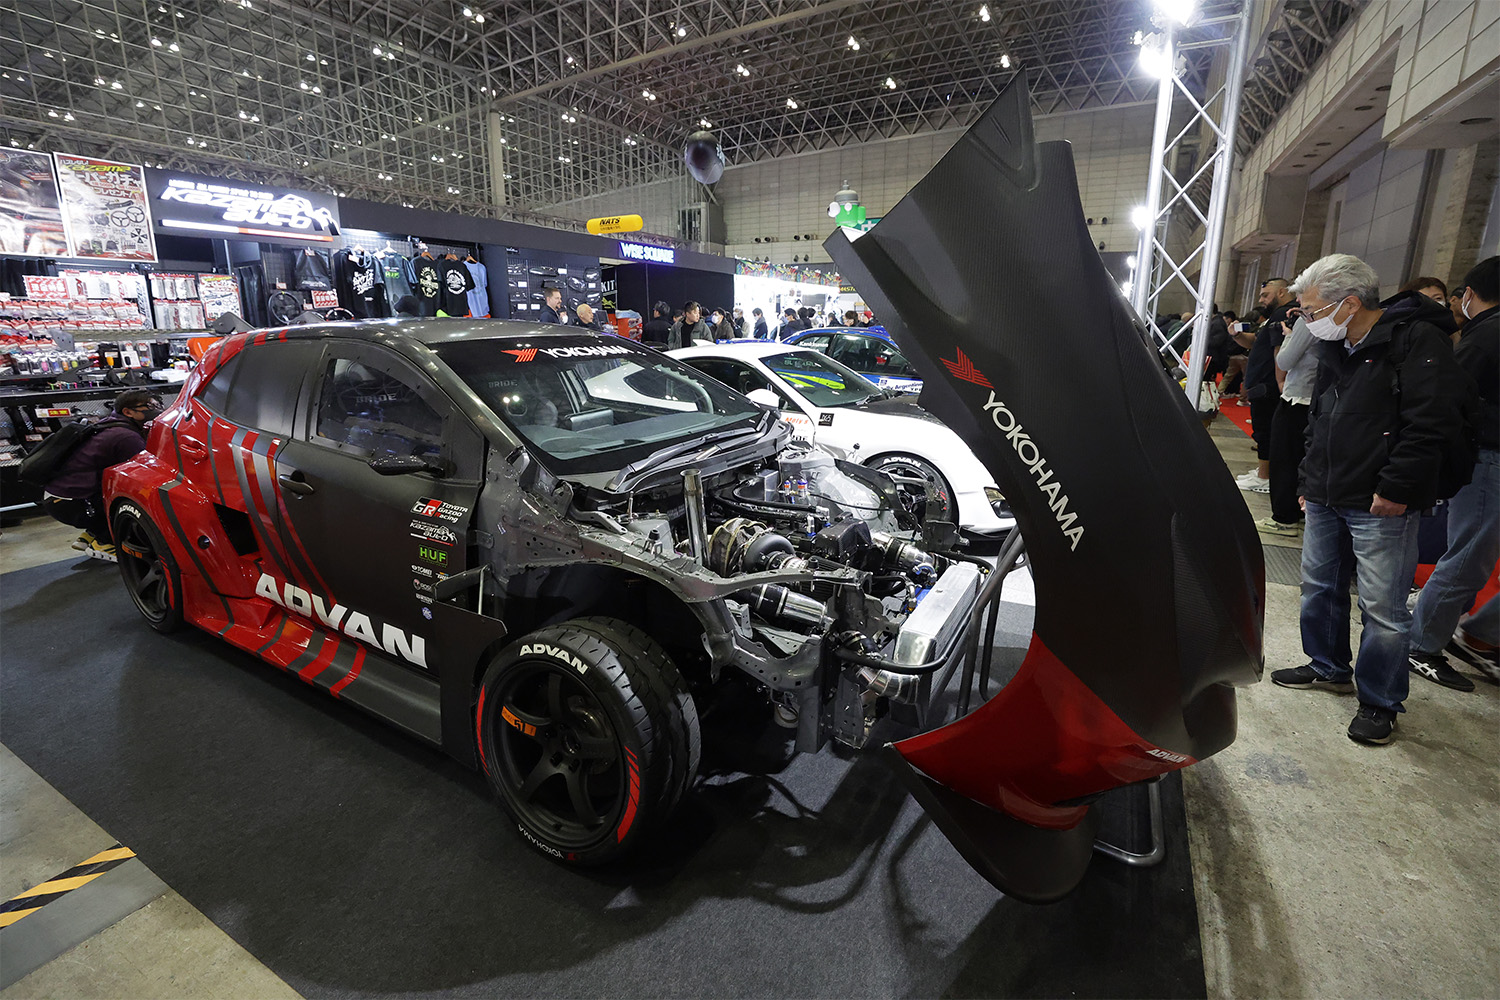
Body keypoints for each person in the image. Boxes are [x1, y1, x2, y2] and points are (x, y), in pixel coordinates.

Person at [1271, 253, 1466, 746]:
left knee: (1383, 608)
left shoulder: (1414, 340)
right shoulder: (1338, 346)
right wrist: (1308, 480)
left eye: (1312, 311)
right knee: (1319, 586)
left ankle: (1380, 699)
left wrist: (1397, 488)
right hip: (1326, 491)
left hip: (1380, 499)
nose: (1307, 320)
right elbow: (1320, 418)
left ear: (1350, 303)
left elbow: (1429, 422)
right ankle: (1327, 664)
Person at [1407, 256, 1498, 690]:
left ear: (1469, 295)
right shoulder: (1485, 337)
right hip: (1488, 457)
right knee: (1468, 556)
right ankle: (1421, 644)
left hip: (1485, 454)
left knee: (1472, 554)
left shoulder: (1484, 333)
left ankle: (1479, 633)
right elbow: (1452, 399)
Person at [42, 388, 163, 556]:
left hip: (60, 499)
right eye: (150, 407)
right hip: (73, 503)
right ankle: (104, 541)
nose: (157, 411)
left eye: (157, 405)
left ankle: (92, 533)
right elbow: (145, 473)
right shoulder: (126, 436)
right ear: (128, 412)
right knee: (140, 500)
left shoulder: (109, 424)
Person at [1257, 314, 1318, 536]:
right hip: (1314, 398)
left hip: (1298, 398)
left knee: (1284, 459)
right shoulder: (1331, 320)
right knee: (1300, 459)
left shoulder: (1309, 320)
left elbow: (1284, 361)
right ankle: (1297, 512)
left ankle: (1284, 517)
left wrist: (1288, 337)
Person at [1237, 280, 1296, 494]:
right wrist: (1236, 334)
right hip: (1264, 382)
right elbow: (1256, 342)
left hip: (1268, 384)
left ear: (1281, 292)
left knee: (1265, 431)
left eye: (1265, 295)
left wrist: (1280, 381)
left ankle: (1265, 476)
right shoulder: (1276, 315)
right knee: (1263, 430)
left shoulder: (1284, 314)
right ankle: (1264, 471)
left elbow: (1280, 349)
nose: (1261, 300)